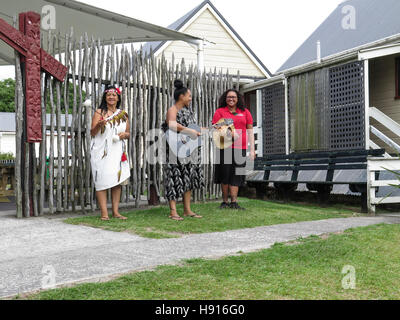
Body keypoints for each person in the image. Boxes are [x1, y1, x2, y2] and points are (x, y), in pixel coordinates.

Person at [162, 80, 204, 221]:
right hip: (175, 149)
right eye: (189, 96)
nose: (191, 99)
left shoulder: (189, 111)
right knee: (174, 178)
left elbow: (194, 128)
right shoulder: (172, 110)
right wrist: (190, 130)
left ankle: (187, 210)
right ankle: (173, 211)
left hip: (189, 149)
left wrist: (210, 129)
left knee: (188, 177)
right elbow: (172, 124)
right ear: (182, 96)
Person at [90, 85, 130, 221]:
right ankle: (104, 213)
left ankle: (116, 212)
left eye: (114, 95)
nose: (111, 97)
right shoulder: (99, 112)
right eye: (109, 95)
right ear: (105, 97)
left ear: (118, 97)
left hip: (117, 150)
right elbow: (92, 132)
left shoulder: (123, 114)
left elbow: (128, 133)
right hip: (101, 151)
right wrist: (98, 125)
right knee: (101, 179)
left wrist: (124, 135)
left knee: (116, 181)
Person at [212, 89, 256, 210]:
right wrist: (230, 133)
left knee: (237, 175)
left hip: (240, 148)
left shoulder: (245, 112)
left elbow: (250, 131)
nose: (231, 99)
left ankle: (234, 202)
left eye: (233, 97)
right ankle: (225, 202)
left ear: (238, 99)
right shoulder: (220, 111)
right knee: (225, 175)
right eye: (228, 97)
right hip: (224, 147)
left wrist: (252, 149)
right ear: (225, 99)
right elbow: (216, 127)